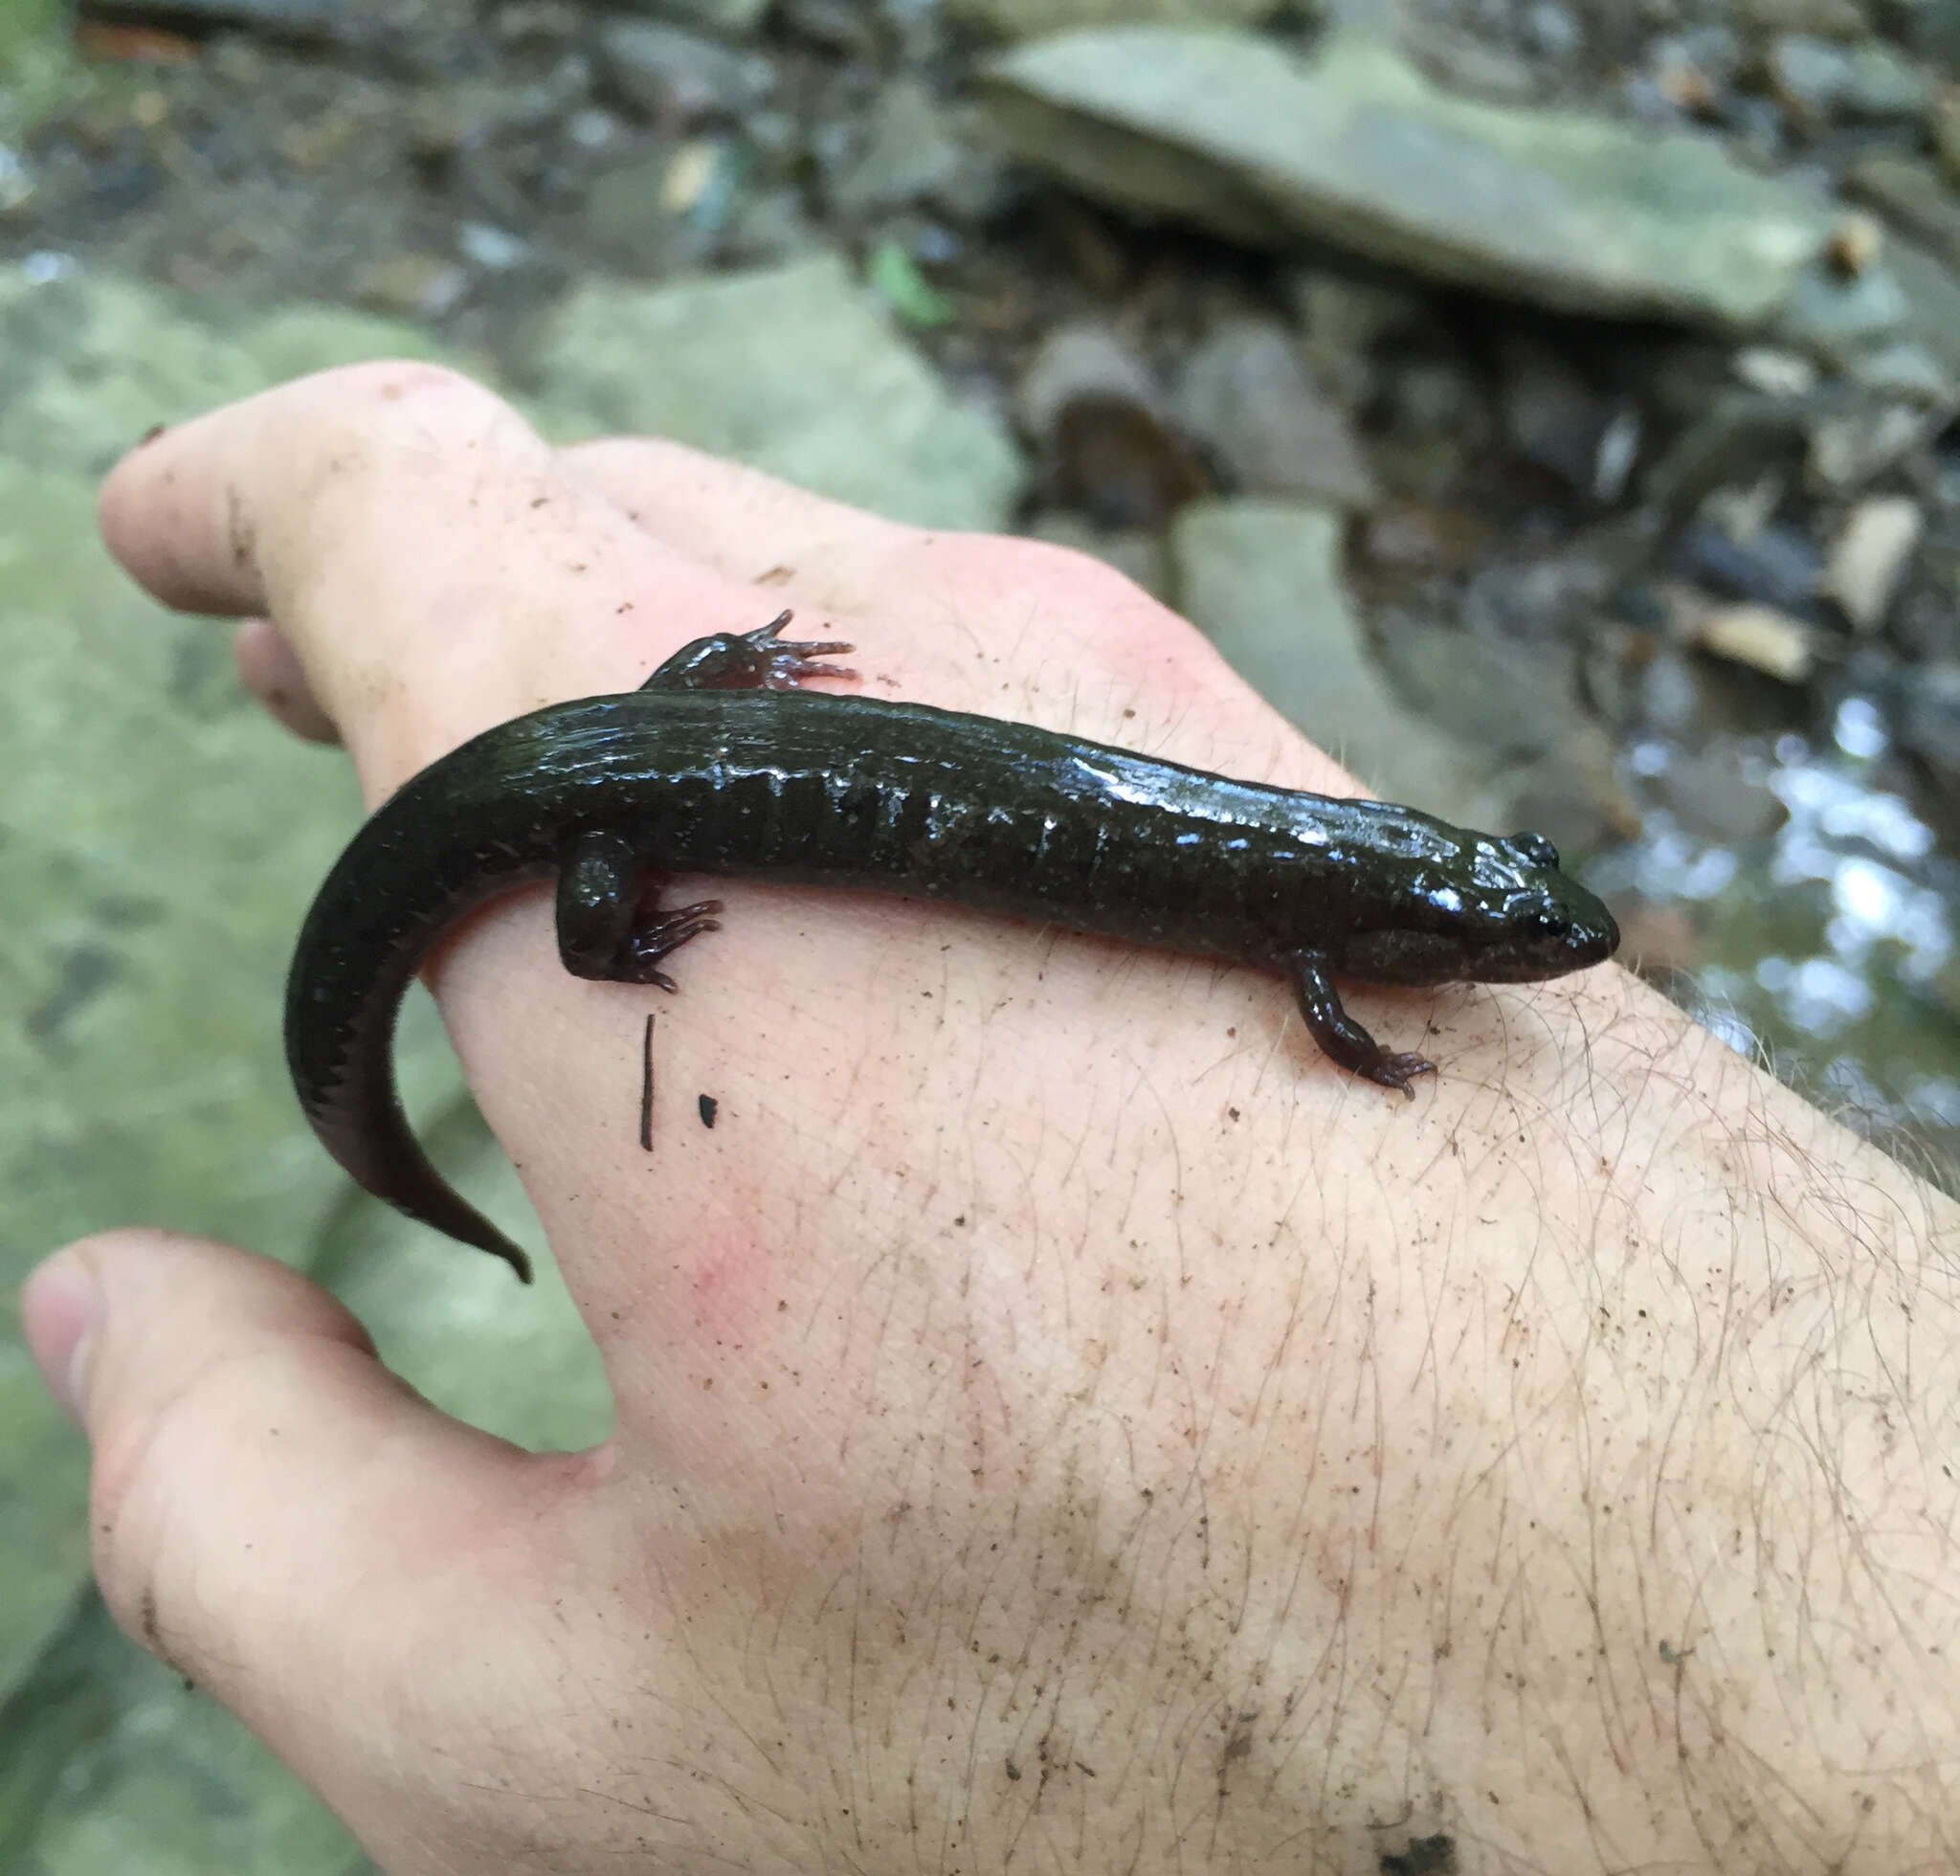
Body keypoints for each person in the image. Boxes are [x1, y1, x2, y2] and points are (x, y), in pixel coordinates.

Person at [21, 362, 1960, 1874]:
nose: (1549, 951)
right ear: (1414, 921)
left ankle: (668, 773)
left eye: (1525, 926)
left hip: (632, 749)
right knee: (610, 892)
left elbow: (1330, 991)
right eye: (1518, 927)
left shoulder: (1338, 897)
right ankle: (608, 900)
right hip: (591, 795)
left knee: (660, 767)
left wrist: (729, 687)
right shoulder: (1329, 928)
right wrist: (605, 934)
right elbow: (1326, 1017)